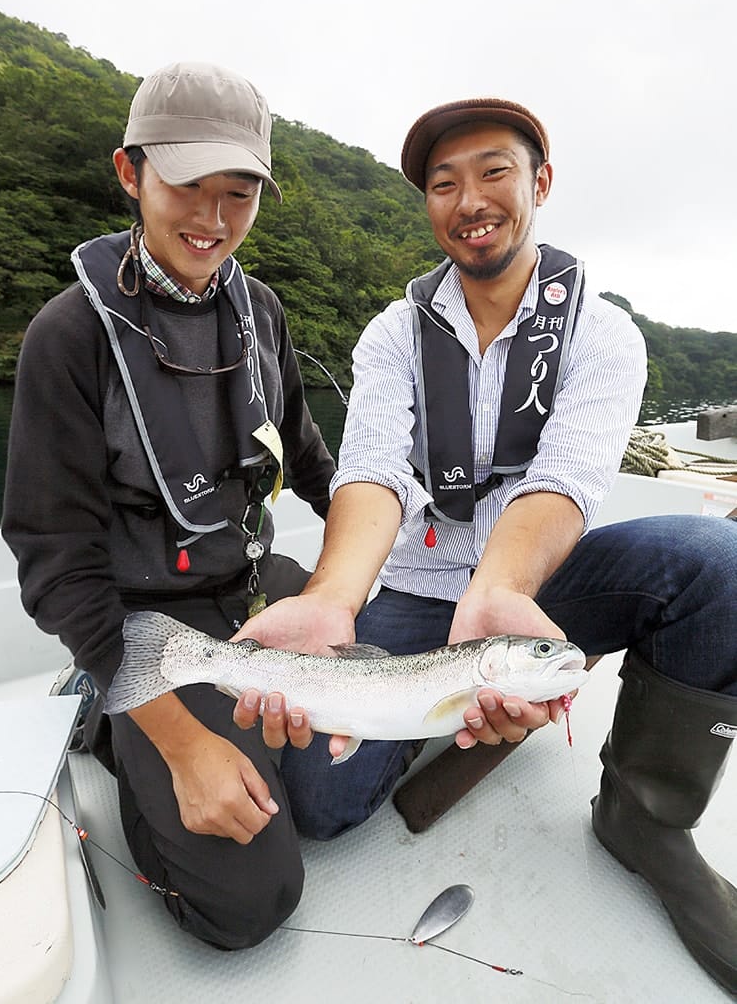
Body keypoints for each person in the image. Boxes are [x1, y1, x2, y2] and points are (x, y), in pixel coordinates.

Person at [234, 98, 737, 993]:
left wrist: (500, 598)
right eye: (443, 182)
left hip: (531, 589)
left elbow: (567, 482)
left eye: (493, 173)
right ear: (427, 204)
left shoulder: (601, 331)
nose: (470, 199)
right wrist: (331, 598)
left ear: (538, 183)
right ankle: (472, 698)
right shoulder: (393, 335)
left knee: (716, 563)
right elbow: (373, 476)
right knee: (321, 807)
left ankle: (644, 818)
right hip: (420, 586)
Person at [1, 61, 338, 950]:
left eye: (239, 194)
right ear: (129, 173)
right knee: (249, 903)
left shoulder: (260, 310)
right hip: (143, 625)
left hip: (252, 589)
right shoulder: (68, 337)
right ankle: (117, 724)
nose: (213, 220)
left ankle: (193, 726)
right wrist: (183, 747)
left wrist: (353, 570)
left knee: (360, 756)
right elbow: (54, 562)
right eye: (188, 185)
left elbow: (307, 460)